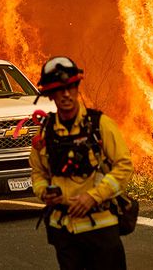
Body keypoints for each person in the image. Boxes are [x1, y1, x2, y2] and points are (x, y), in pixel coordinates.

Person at [30, 57, 134, 269]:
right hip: (65, 232)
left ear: (77, 88)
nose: (66, 94)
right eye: (59, 89)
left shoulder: (99, 125)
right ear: (50, 94)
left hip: (102, 229)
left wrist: (93, 197)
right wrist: (44, 193)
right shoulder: (45, 133)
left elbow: (124, 165)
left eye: (71, 87)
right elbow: (38, 173)